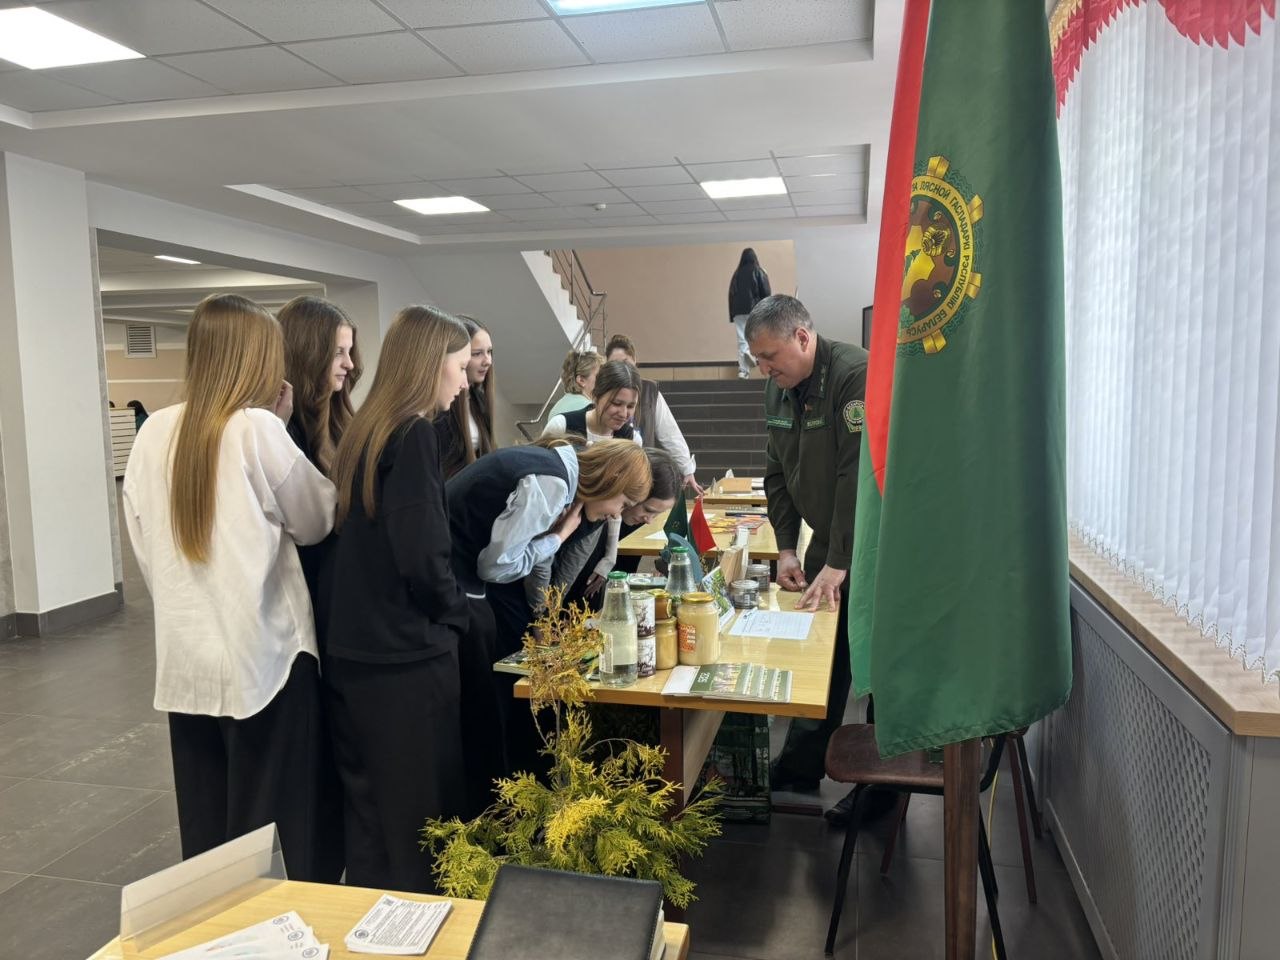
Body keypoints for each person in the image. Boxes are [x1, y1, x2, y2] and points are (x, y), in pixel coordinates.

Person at [122, 293, 337, 879]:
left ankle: (216, 924)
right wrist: (284, 428)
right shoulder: (256, 428)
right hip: (267, 658)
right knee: (286, 824)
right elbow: (317, 520)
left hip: (187, 663)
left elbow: (144, 546)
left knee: (207, 831)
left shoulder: (153, 432)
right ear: (258, 359)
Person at [322, 305, 473, 892]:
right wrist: (458, 615)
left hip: (356, 651)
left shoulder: (368, 428)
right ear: (431, 363)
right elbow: (423, 555)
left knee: (369, 816)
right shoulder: (413, 434)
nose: (465, 382)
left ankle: (368, 923)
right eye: (460, 366)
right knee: (420, 820)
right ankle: (420, 927)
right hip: (404, 657)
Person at [446, 438, 651, 777]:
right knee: (495, 690)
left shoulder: (559, 471)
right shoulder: (552, 484)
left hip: (460, 576)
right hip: (454, 579)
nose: (618, 513)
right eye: (624, 503)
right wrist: (558, 537)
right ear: (612, 479)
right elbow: (495, 567)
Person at [746, 294, 868, 822]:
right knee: (823, 650)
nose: (765, 370)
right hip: (828, 537)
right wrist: (787, 549)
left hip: (874, 541)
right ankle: (800, 765)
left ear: (802, 336)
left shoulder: (853, 375)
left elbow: (857, 476)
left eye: (770, 357)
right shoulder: (778, 388)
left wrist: (840, 561)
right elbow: (777, 473)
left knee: (874, 661)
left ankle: (881, 788)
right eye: (757, 359)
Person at [276, 294, 360, 883]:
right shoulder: (281, 433)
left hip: (343, 602)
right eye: (339, 353)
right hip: (308, 608)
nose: (350, 366)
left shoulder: (342, 421)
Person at [542, 360, 642, 602]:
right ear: (597, 394)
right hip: (554, 530)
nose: (623, 413)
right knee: (545, 602)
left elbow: (617, 506)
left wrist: (609, 557)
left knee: (584, 606)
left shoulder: (630, 439)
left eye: (630, 406)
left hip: (597, 538)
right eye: (616, 403)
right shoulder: (563, 425)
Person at [603, 334, 701, 496]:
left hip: (641, 476)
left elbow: (670, 433)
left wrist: (687, 469)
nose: (622, 369)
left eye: (626, 363)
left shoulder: (650, 391)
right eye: (615, 364)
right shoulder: (602, 392)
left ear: (635, 361)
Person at [438, 315, 496, 480]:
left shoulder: (479, 400)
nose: (487, 361)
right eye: (477, 354)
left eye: (489, 352)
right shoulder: (442, 408)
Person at [729, 248, 772, 379]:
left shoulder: (736, 274)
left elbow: (731, 295)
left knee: (742, 340)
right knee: (756, 336)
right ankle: (750, 353)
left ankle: (743, 371)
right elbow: (766, 292)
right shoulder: (759, 271)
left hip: (738, 312)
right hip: (755, 309)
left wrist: (732, 314)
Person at [546, 349, 602, 419]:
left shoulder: (555, 409)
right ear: (581, 380)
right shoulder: (589, 409)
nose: (603, 380)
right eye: (599, 376)